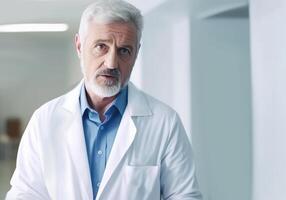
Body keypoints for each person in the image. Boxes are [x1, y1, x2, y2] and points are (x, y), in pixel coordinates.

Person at [6, 0, 202, 199]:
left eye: (124, 50)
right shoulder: (44, 120)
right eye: (101, 46)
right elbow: (25, 193)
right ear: (80, 46)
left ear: (136, 53)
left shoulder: (165, 122)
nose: (111, 63)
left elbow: (184, 195)